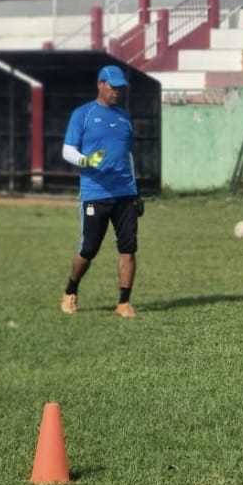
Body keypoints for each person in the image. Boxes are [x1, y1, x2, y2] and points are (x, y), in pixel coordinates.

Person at [59, 65, 142, 318]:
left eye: (120, 87)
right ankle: (71, 290)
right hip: (95, 192)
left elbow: (128, 156)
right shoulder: (83, 114)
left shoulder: (124, 117)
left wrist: (136, 190)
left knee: (128, 248)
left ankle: (124, 303)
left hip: (125, 192)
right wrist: (86, 161)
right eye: (113, 86)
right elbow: (67, 150)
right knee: (89, 250)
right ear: (100, 84)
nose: (117, 91)